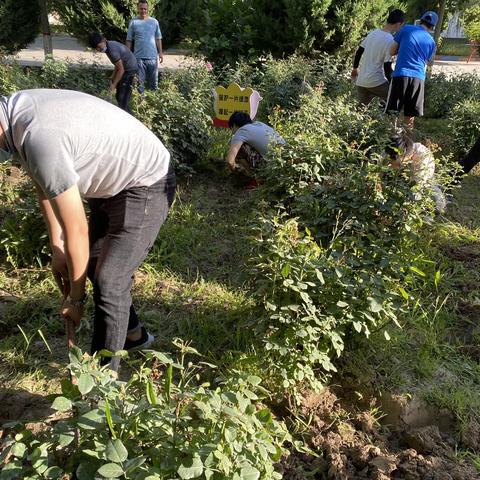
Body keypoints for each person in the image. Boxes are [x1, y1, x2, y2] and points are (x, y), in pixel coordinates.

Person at [0, 89, 176, 371]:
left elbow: (78, 230)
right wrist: (57, 248)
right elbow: (44, 186)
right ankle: (133, 335)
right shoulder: (14, 113)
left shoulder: (39, 137)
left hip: (146, 180)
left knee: (110, 282)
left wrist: (76, 299)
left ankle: (101, 391)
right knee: (93, 265)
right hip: (112, 181)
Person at [385, 11, 438, 130]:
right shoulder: (431, 42)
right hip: (418, 79)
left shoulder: (406, 29)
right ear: (433, 26)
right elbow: (425, 62)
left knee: (393, 113)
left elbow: (391, 51)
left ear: (421, 20)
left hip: (401, 75)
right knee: (410, 116)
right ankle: (407, 146)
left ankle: (390, 144)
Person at [351, 9, 406, 106]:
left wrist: (355, 68)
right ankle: (387, 113)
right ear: (398, 24)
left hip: (361, 81)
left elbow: (359, 51)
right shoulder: (390, 41)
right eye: (401, 26)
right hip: (375, 82)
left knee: (359, 111)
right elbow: (387, 68)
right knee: (396, 100)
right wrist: (393, 86)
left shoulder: (373, 33)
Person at [385, 134, 446, 212]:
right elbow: (380, 166)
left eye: (394, 161)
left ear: (405, 154)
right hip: (403, 177)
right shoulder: (393, 148)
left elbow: (417, 189)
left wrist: (403, 210)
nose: (390, 163)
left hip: (423, 184)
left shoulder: (423, 159)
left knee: (438, 204)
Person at [226, 111, 285, 186]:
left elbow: (229, 161)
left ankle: (256, 178)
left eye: (231, 129)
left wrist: (235, 173)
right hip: (284, 160)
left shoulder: (240, 132)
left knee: (238, 149)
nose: (232, 133)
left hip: (271, 165)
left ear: (234, 125)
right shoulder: (260, 124)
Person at [88, 33, 138, 113]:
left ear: (104, 40)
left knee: (122, 99)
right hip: (125, 68)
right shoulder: (108, 46)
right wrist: (113, 76)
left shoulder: (112, 50)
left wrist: (114, 84)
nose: (99, 50)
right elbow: (118, 64)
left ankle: (129, 117)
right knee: (119, 96)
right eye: (97, 48)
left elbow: (121, 69)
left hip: (129, 70)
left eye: (99, 47)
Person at [126, 1, 163, 93]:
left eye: (145, 9)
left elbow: (158, 38)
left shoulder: (154, 22)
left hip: (152, 57)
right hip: (138, 58)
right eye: (141, 8)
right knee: (140, 84)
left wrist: (161, 53)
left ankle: (153, 102)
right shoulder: (133, 22)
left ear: (148, 9)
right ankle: (141, 104)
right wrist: (127, 54)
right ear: (138, 9)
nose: (143, 11)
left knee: (154, 83)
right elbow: (129, 39)